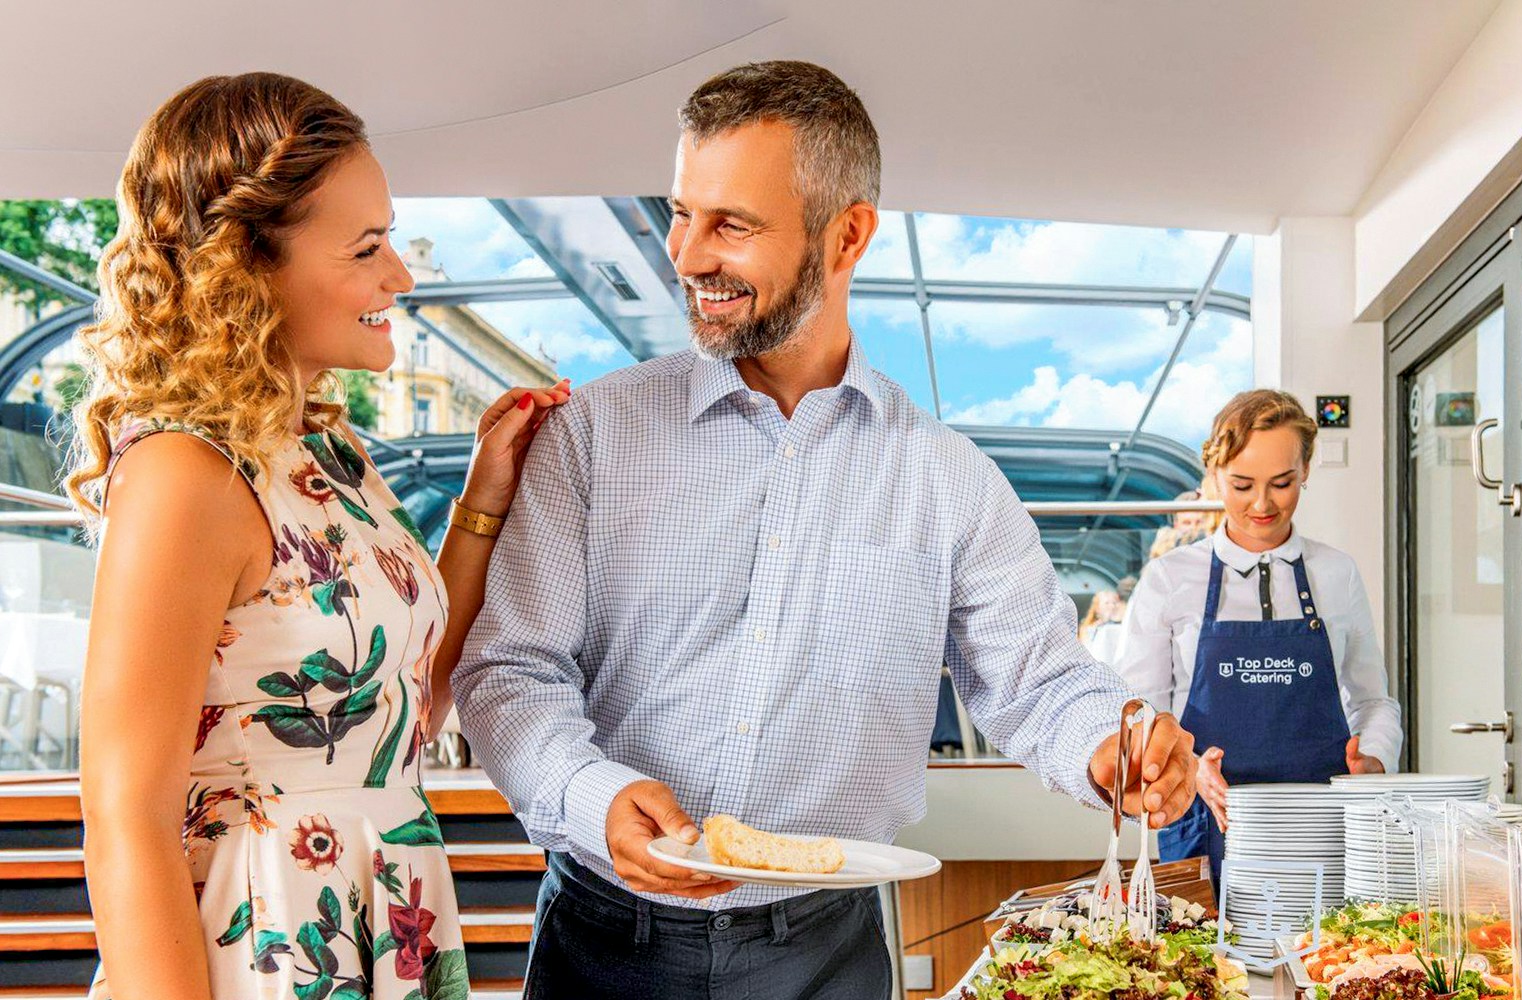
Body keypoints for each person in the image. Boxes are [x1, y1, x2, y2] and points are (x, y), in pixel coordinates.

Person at [454, 60, 1198, 1000]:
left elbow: (1043, 684)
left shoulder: (945, 479)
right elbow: (510, 672)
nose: (685, 255)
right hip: (604, 946)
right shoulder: (593, 437)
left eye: (732, 224)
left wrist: (1111, 745)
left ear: (846, 236)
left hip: (827, 958)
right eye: (683, 212)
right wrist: (594, 802)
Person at [69, 73, 570, 1000]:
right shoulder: (184, 474)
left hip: (380, 915)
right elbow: (124, 815)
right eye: (368, 247)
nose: (402, 278)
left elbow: (407, 709)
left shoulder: (325, 447)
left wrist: (484, 498)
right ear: (249, 265)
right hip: (258, 943)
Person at [1115, 389, 1401, 878]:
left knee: (1332, 952)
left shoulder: (1336, 573)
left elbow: (1374, 701)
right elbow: (1139, 713)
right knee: (1200, 953)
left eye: (1282, 483)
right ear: (1214, 477)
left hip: (1323, 826)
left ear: (1305, 470)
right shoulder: (1169, 579)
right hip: (1205, 821)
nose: (1262, 504)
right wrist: (1185, 765)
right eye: (1242, 484)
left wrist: (1373, 758)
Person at [1079, 589, 1126, 663]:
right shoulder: (1089, 629)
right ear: (1097, 608)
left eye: (1115, 602)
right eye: (1107, 603)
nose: (1112, 606)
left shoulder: (1123, 626)